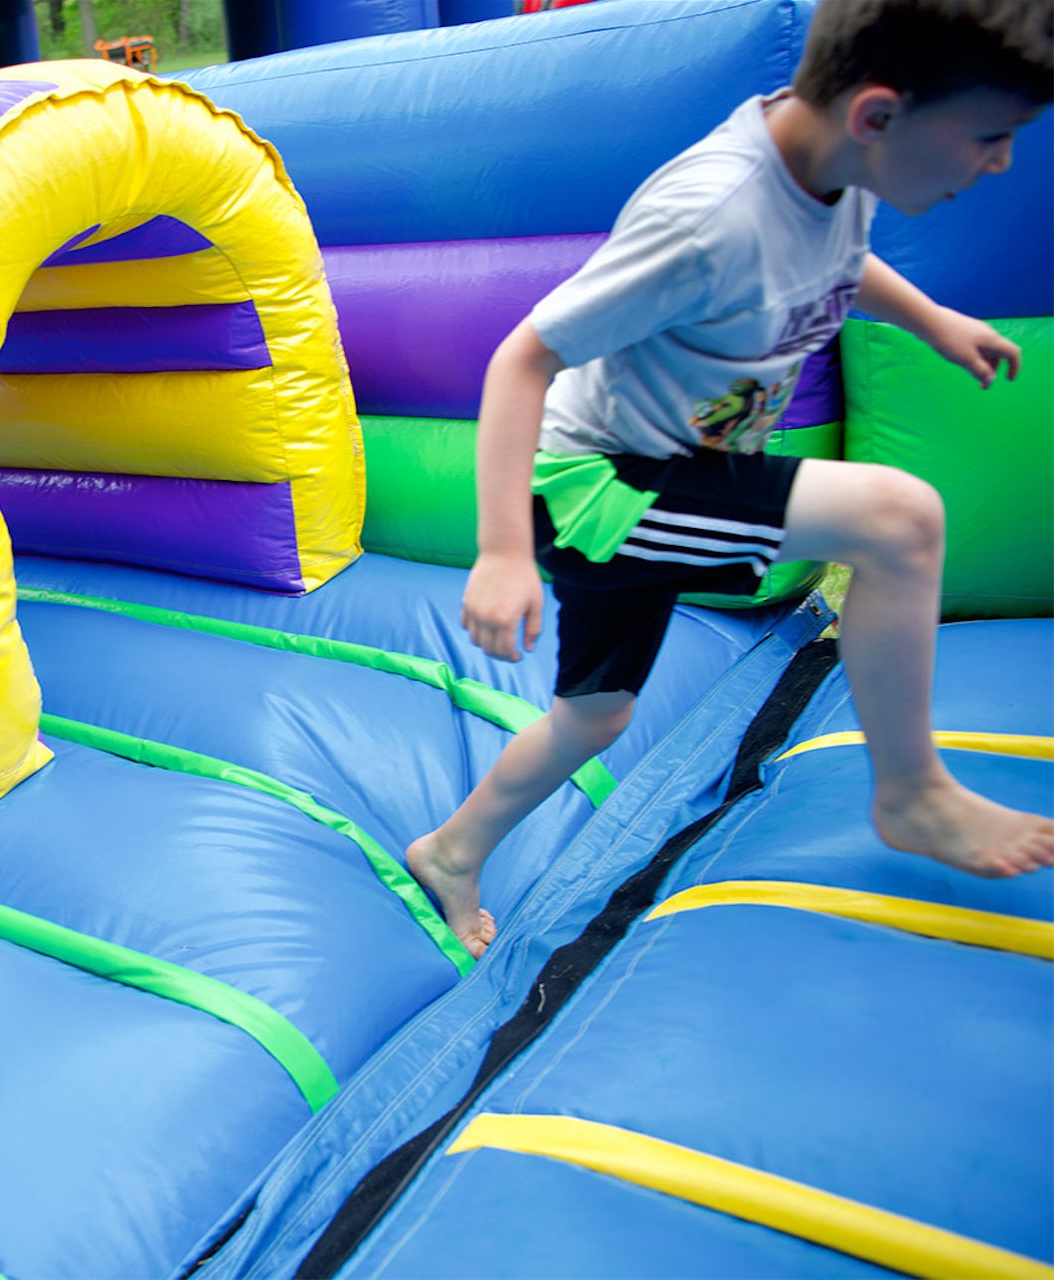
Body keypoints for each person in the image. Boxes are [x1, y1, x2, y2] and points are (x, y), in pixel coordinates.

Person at [406, 0, 1054, 957]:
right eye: (990, 138)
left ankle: (450, 851)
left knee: (594, 716)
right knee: (900, 518)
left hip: (672, 469)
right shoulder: (709, 217)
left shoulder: (834, 160)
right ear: (878, 115)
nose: (997, 163)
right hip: (608, 487)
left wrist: (932, 321)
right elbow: (522, 358)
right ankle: (912, 793)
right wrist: (500, 550)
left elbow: (837, 261)